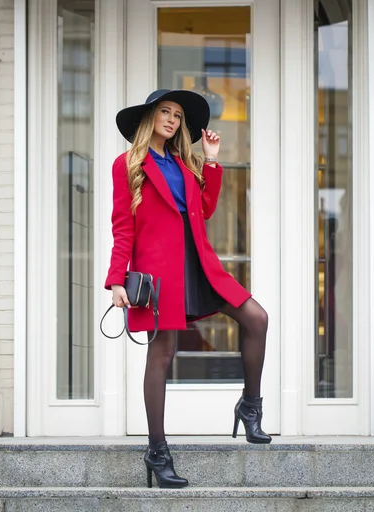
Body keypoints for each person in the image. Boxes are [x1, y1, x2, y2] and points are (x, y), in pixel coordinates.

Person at [105, 88, 271, 489]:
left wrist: (211, 163)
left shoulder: (185, 163)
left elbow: (205, 210)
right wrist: (116, 279)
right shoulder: (128, 164)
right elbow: (122, 226)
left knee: (256, 318)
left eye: (178, 116)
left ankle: (250, 407)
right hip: (159, 271)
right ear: (149, 118)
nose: (173, 120)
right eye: (165, 112)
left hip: (199, 261)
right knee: (163, 355)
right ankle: (157, 452)